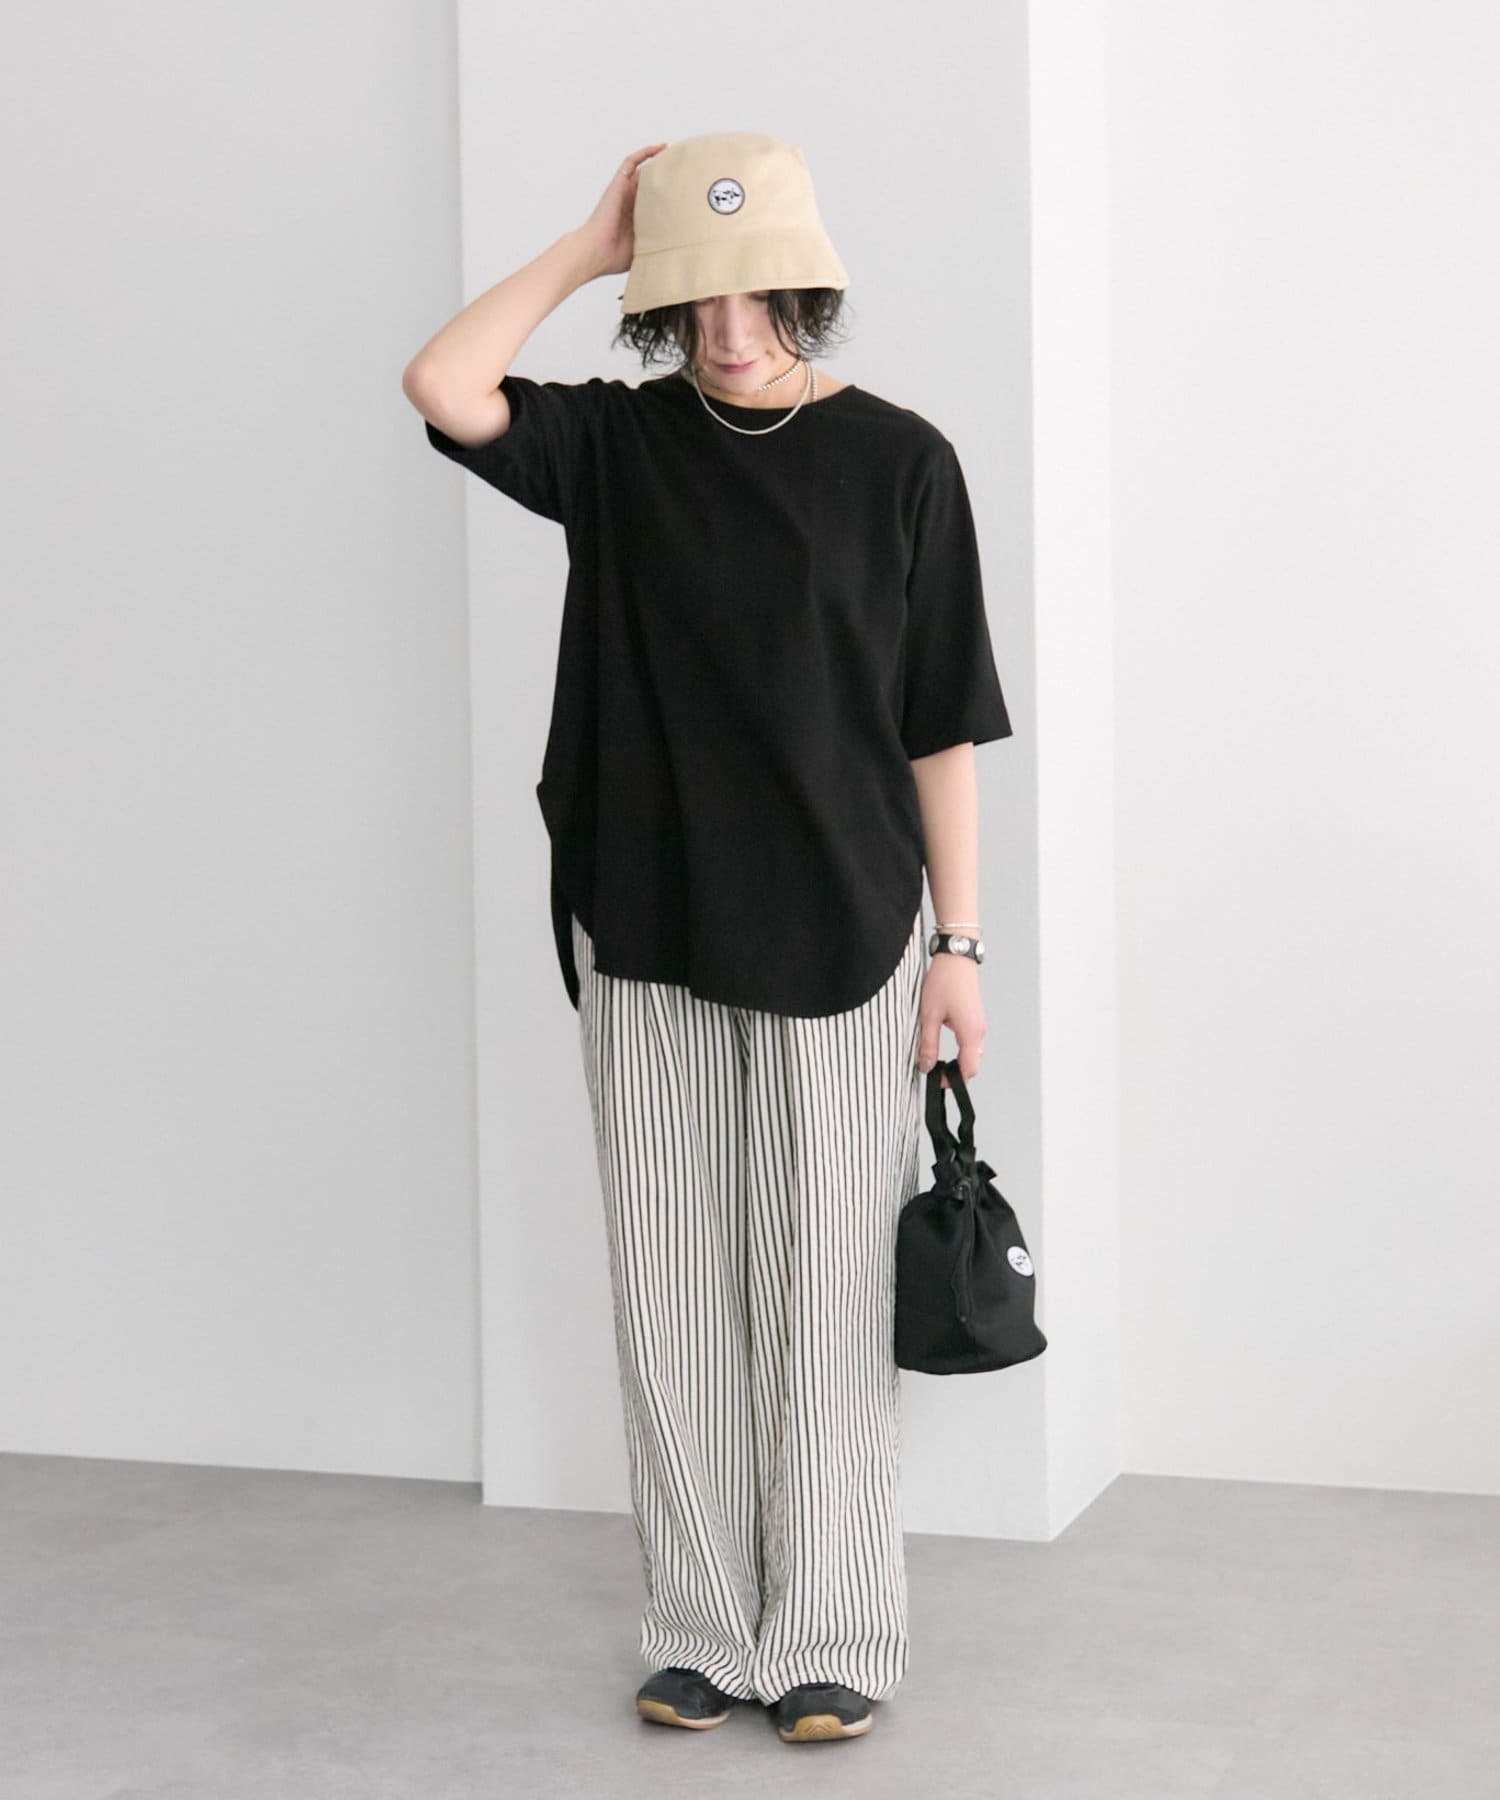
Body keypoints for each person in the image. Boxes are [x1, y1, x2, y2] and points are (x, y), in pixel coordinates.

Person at [403, 131, 1014, 1746]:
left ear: (807, 287)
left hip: (846, 924)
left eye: (755, 295)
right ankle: (700, 1628)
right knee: (670, 1291)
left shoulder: (901, 461)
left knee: (824, 1297)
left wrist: (961, 947)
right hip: (648, 914)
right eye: (693, 300)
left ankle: (831, 1633)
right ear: (658, 305)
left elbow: (940, 725)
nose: (729, 331)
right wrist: (585, 243)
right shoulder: (616, 445)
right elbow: (445, 384)